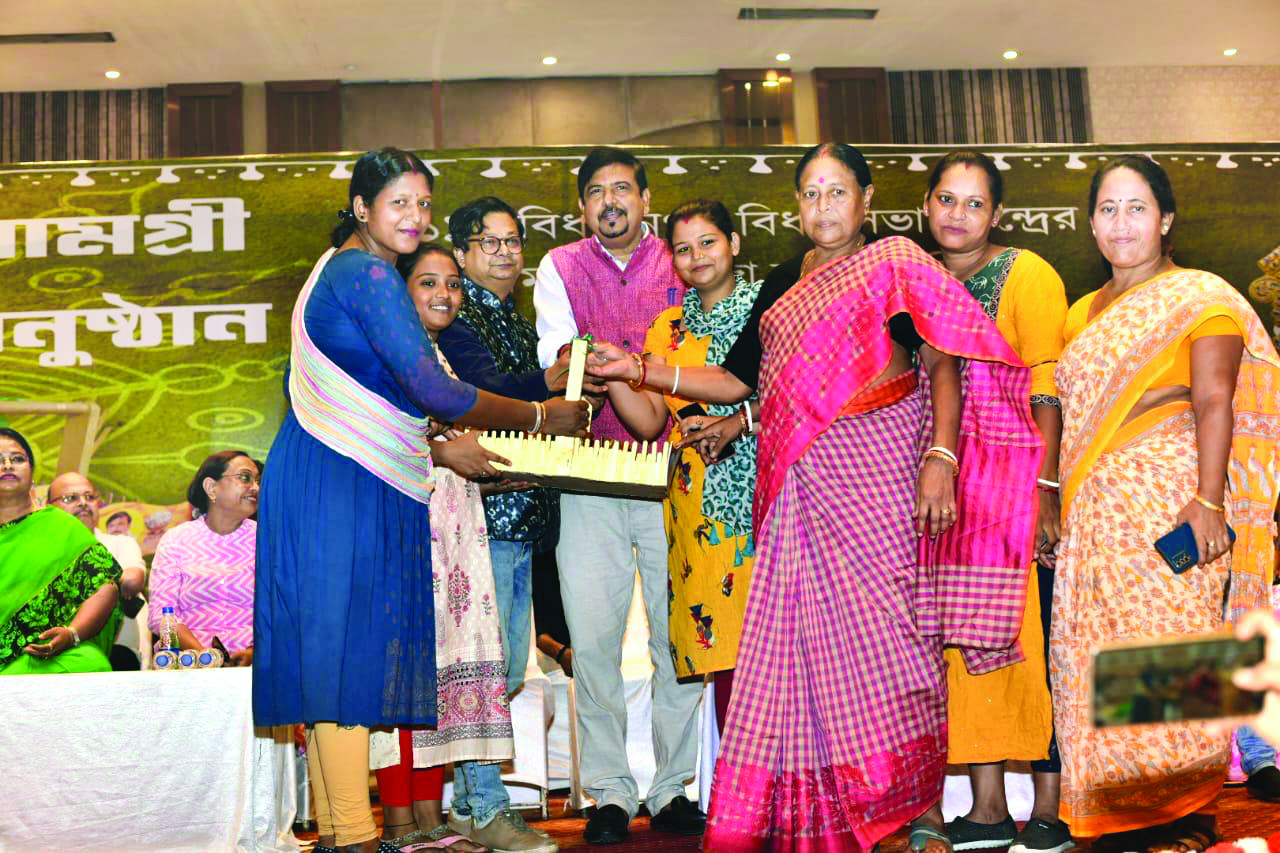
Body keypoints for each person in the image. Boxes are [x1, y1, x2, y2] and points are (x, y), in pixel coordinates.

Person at [591, 142, 1043, 852]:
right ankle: (829, 815)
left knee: (892, 646)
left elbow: (943, 358)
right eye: (810, 193)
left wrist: (942, 456)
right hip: (802, 486)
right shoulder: (782, 283)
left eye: (837, 192)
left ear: (867, 199)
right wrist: (641, 368)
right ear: (795, 205)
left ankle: (903, 810)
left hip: (882, 473)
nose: (823, 207)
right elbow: (737, 381)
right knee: (805, 656)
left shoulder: (895, 262)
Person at [253, 147, 586, 853]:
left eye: (424, 203)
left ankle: (346, 833)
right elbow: (437, 392)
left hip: (326, 470)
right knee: (345, 658)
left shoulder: (336, 269)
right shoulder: (366, 272)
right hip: (345, 476)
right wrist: (538, 415)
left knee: (329, 658)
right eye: (399, 202)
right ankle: (352, 834)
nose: (415, 216)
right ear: (361, 208)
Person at [1051, 154, 1280, 851]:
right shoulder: (1080, 313)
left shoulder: (1199, 295)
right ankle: (1118, 816)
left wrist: (1209, 501)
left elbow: (1215, 400)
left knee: (1170, 658)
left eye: (1137, 208)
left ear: (1167, 218)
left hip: (1170, 501)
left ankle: (1184, 813)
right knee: (1092, 661)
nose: (1122, 223)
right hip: (1093, 514)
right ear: (1091, 223)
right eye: (1108, 209)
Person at [533, 146, 705, 845]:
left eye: (623, 190)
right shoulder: (557, 267)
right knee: (595, 642)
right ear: (581, 207)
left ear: (645, 198)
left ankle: (672, 788)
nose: (611, 202)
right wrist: (586, 362)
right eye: (597, 192)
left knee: (678, 640)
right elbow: (555, 365)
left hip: (674, 480)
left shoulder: (684, 259)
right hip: (591, 476)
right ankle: (607, 790)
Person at [370, 243, 556, 853]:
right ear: (401, 291)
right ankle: (456, 812)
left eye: (452, 283)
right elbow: (372, 437)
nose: (446, 294)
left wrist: (500, 469)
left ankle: (454, 814)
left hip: (459, 529)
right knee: (422, 676)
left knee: (468, 671)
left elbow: (461, 438)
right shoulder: (389, 355)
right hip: (412, 532)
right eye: (429, 283)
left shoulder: (440, 357)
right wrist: (442, 451)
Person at [921, 151, 1072, 853]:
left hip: (1015, 490)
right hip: (951, 496)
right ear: (926, 206)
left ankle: (1048, 808)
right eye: (947, 200)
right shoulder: (918, 279)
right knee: (971, 647)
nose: (957, 214)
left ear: (998, 214)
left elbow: (1047, 381)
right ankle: (986, 808)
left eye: (973, 203)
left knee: (1033, 643)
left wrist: (1046, 490)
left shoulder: (1025, 274)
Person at [593, 199, 759, 731]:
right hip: (696, 506)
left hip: (768, 496)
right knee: (723, 650)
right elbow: (647, 422)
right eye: (683, 249)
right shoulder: (666, 329)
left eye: (708, 242)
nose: (697, 257)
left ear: (735, 243)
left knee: (775, 648)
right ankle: (744, 792)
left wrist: (642, 369)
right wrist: (616, 371)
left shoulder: (768, 309)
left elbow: (770, 391)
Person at [437, 195, 595, 697]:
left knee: (505, 671)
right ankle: (476, 780)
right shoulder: (457, 321)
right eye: (489, 242)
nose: (505, 251)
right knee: (488, 670)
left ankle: (480, 779)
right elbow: (481, 393)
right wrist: (549, 383)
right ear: (462, 254)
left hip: (527, 510)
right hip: (487, 514)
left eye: (512, 241)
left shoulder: (522, 323)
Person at [0, 428, 121, 675]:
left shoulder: (62, 526)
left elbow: (104, 587)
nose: (8, 465)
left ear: (33, 475)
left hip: (60, 653)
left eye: (18, 458)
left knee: (91, 664)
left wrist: (72, 634)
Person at [147, 451, 259, 663]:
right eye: (245, 478)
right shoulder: (176, 540)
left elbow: (282, 611)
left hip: (255, 665)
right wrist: (207, 658)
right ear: (211, 488)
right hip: (187, 663)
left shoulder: (267, 540)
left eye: (257, 480)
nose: (255, 488)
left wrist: (256, 654)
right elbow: (162, 616)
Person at [47, 471, 148, 669]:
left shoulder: (119, 543)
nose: (83, 503)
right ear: (49, 508)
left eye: (89, 497)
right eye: (71, 498)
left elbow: (132, 581)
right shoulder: (44, 552)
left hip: (117, 656)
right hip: (56, 655)